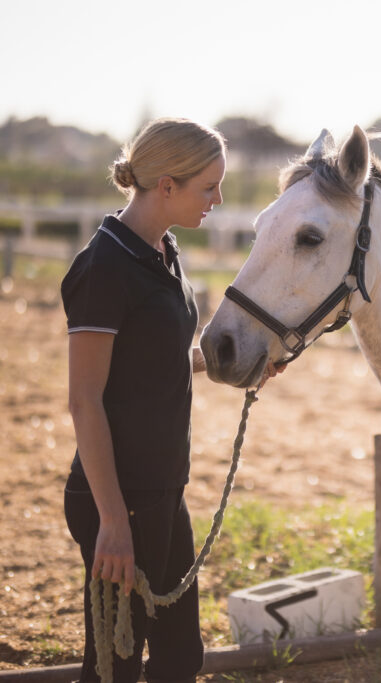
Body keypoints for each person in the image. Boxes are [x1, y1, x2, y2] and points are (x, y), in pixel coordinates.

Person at [61, 117, 281, 683]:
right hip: (118, 497)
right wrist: (112, 519)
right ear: (166, 185)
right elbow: (84, 400)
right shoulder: (104, 267)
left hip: (162, 491)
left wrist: (232, 365)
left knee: (181, 657)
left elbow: (152, 361)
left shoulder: (163, 252)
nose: (218, 198)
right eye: (208, 186)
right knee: (115, 663)